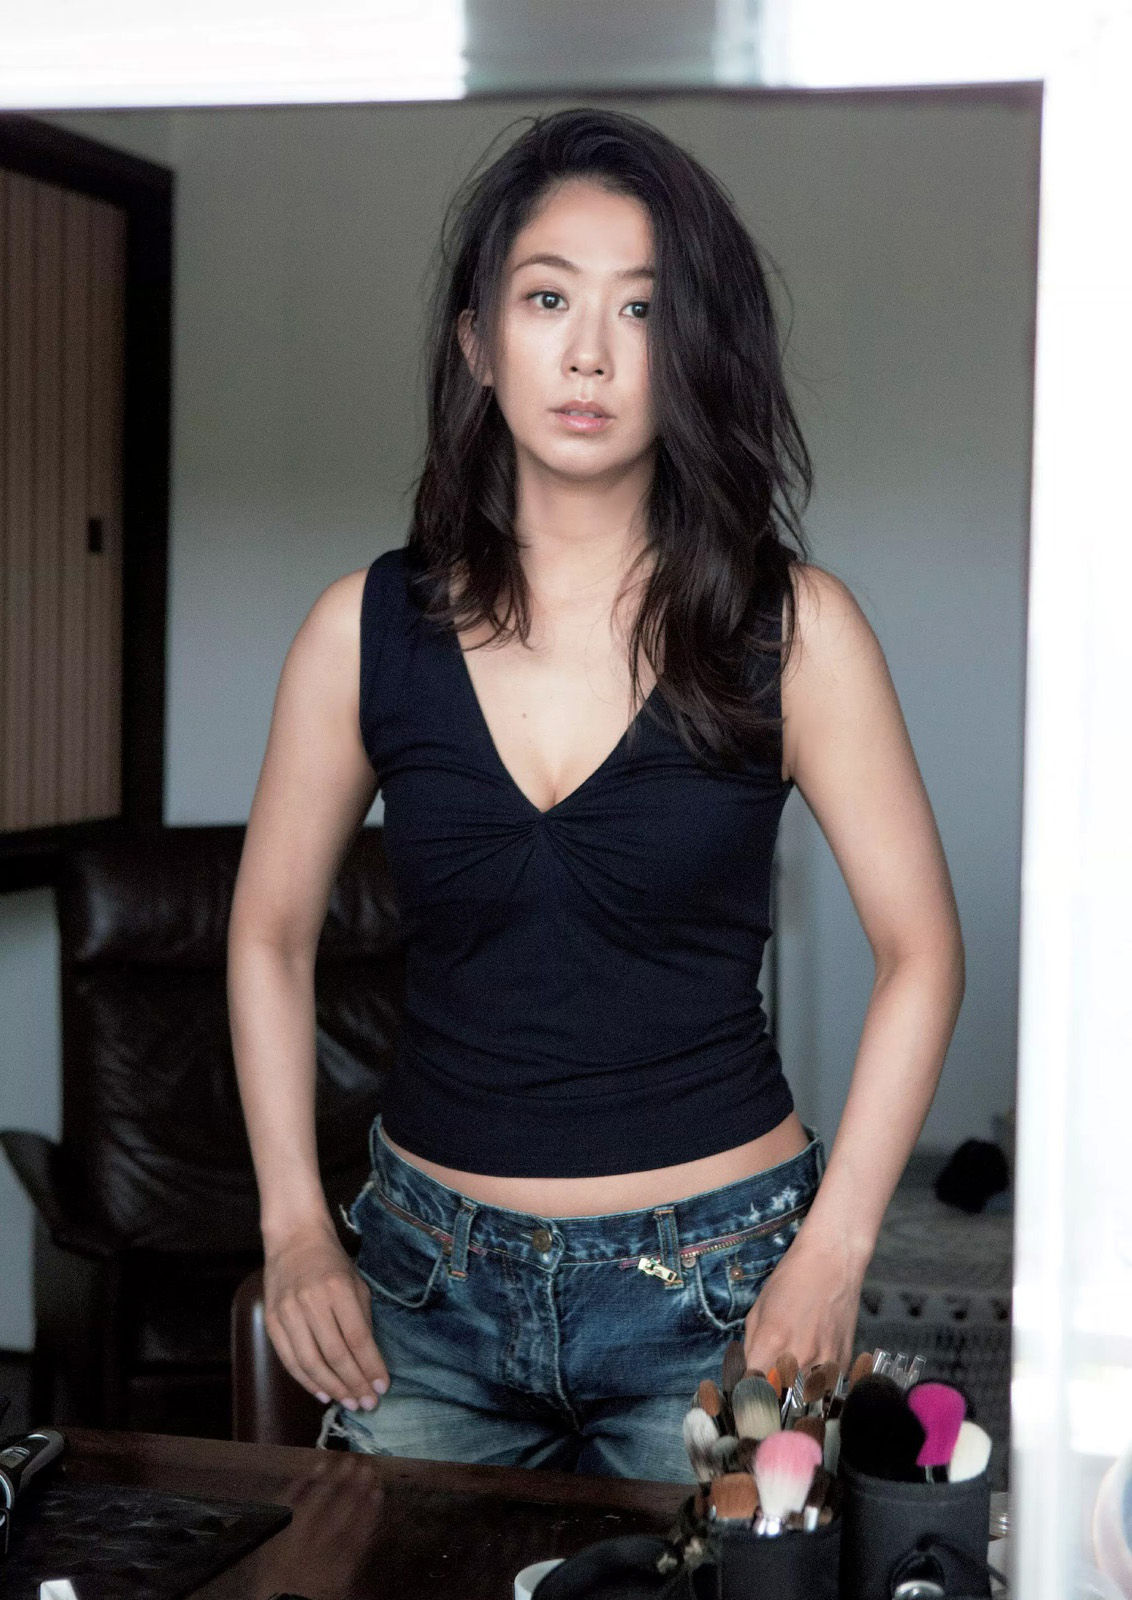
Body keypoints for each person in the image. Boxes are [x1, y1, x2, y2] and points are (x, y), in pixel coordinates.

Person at [227, 107, 964, 1482]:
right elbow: (269, 934)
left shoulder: (797, 628)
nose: (589, 354)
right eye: (548, 298)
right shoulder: (360, 631)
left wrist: (834, 1249)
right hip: (426, 1297)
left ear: (692, 352)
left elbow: (922, 951)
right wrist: (293, 1227)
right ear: (476, 340)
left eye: (643, 309)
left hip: (722, 1291)